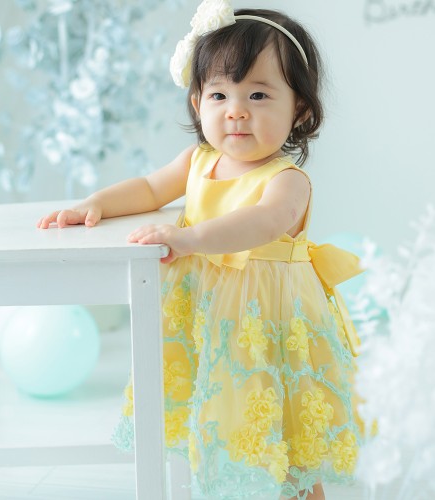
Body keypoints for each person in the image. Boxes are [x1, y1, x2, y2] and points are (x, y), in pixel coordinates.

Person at [37, 2, 366, 498]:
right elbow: (149, 189)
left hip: (267, 323)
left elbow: (263, 222)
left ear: (299, 108)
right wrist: (95, 204)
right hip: (207, 317)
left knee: (281, 437)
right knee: (218, 424)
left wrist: (189, 238)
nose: (236, 110)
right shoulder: (198, 160)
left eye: (258, 94)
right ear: (197, 103)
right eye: (219, 94)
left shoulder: (286, 180)